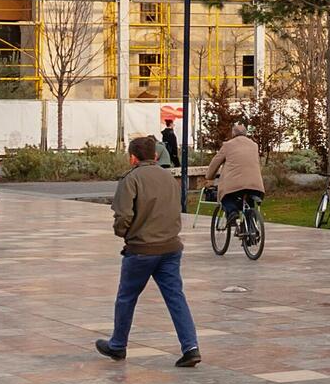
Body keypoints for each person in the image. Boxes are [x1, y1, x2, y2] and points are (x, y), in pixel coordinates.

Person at [96, 135, 199, 367]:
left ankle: (118, 345)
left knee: (126, 298)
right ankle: (191, 346)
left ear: (133, 157)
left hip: (141, 249)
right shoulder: (169, 178)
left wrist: (123, 232)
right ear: (155, 155)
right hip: (171, 247)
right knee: (176, 298)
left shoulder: (130, 179)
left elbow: (123, 215)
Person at [202, 121, 264, 228]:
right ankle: (251, 231)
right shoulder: (254, 146)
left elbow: (215, 162)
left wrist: (209, 176)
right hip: (255, 183)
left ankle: (232, 213)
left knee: (225, 197)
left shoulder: (228, 145)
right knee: (249, 202)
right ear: (245, 133)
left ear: (233, 133)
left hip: (234, 184)